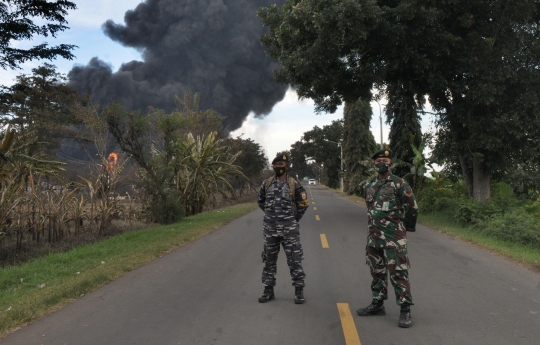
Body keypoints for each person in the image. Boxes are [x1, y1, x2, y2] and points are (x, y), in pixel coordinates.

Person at [356, 149, 418, 328]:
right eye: (378, 160)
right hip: (374, 237)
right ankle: (377, 303)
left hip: (393, 238)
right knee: (377, 272)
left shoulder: (400, 183)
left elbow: (412, 208)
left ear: (391, 163)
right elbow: (370, 209)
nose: (381, 163)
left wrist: (405, 228)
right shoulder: (369, 185)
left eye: (385, 159)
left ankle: (405, 309)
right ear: (374, 164)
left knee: (398, 273)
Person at [257, 153, 310, 304]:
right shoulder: (266, 183)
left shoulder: (294, 184)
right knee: (269, 260)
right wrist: (271, 216)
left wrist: (293, 219)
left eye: (282, 165)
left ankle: (299, 291)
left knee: (294, 260)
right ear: (273, 166)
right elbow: (261, 201)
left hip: (289, 230)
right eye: (277, 165)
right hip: (270, 230)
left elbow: (303, 204)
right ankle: (268, 290)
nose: (279, 167)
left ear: (287, 167)